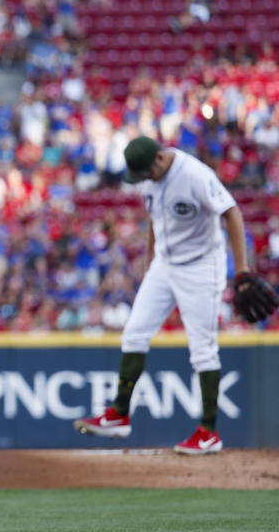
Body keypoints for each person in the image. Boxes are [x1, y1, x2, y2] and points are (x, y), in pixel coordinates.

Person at [74, 137, 277, 454]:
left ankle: (209, 432)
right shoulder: (149, 178)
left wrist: (242, 272)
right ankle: (119, 414)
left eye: (145, 172)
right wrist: (150, 263)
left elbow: (232, 213)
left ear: (158, 159)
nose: (143, 178)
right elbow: (155, 219)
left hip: (200, 267)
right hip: (165, 265)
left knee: (203, 350)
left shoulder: (194, 175)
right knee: (134, 334)